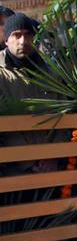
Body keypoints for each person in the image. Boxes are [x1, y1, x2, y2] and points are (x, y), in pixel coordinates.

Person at [0, 13, 63, 176]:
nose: (23, 41)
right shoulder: (1, 75)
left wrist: (53, 157)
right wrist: (29, 160)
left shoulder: (52, 72)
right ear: (6, 39)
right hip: (14, 168)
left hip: (54, 164)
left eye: (28, 35)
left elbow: (64, 114)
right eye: (17, 35)